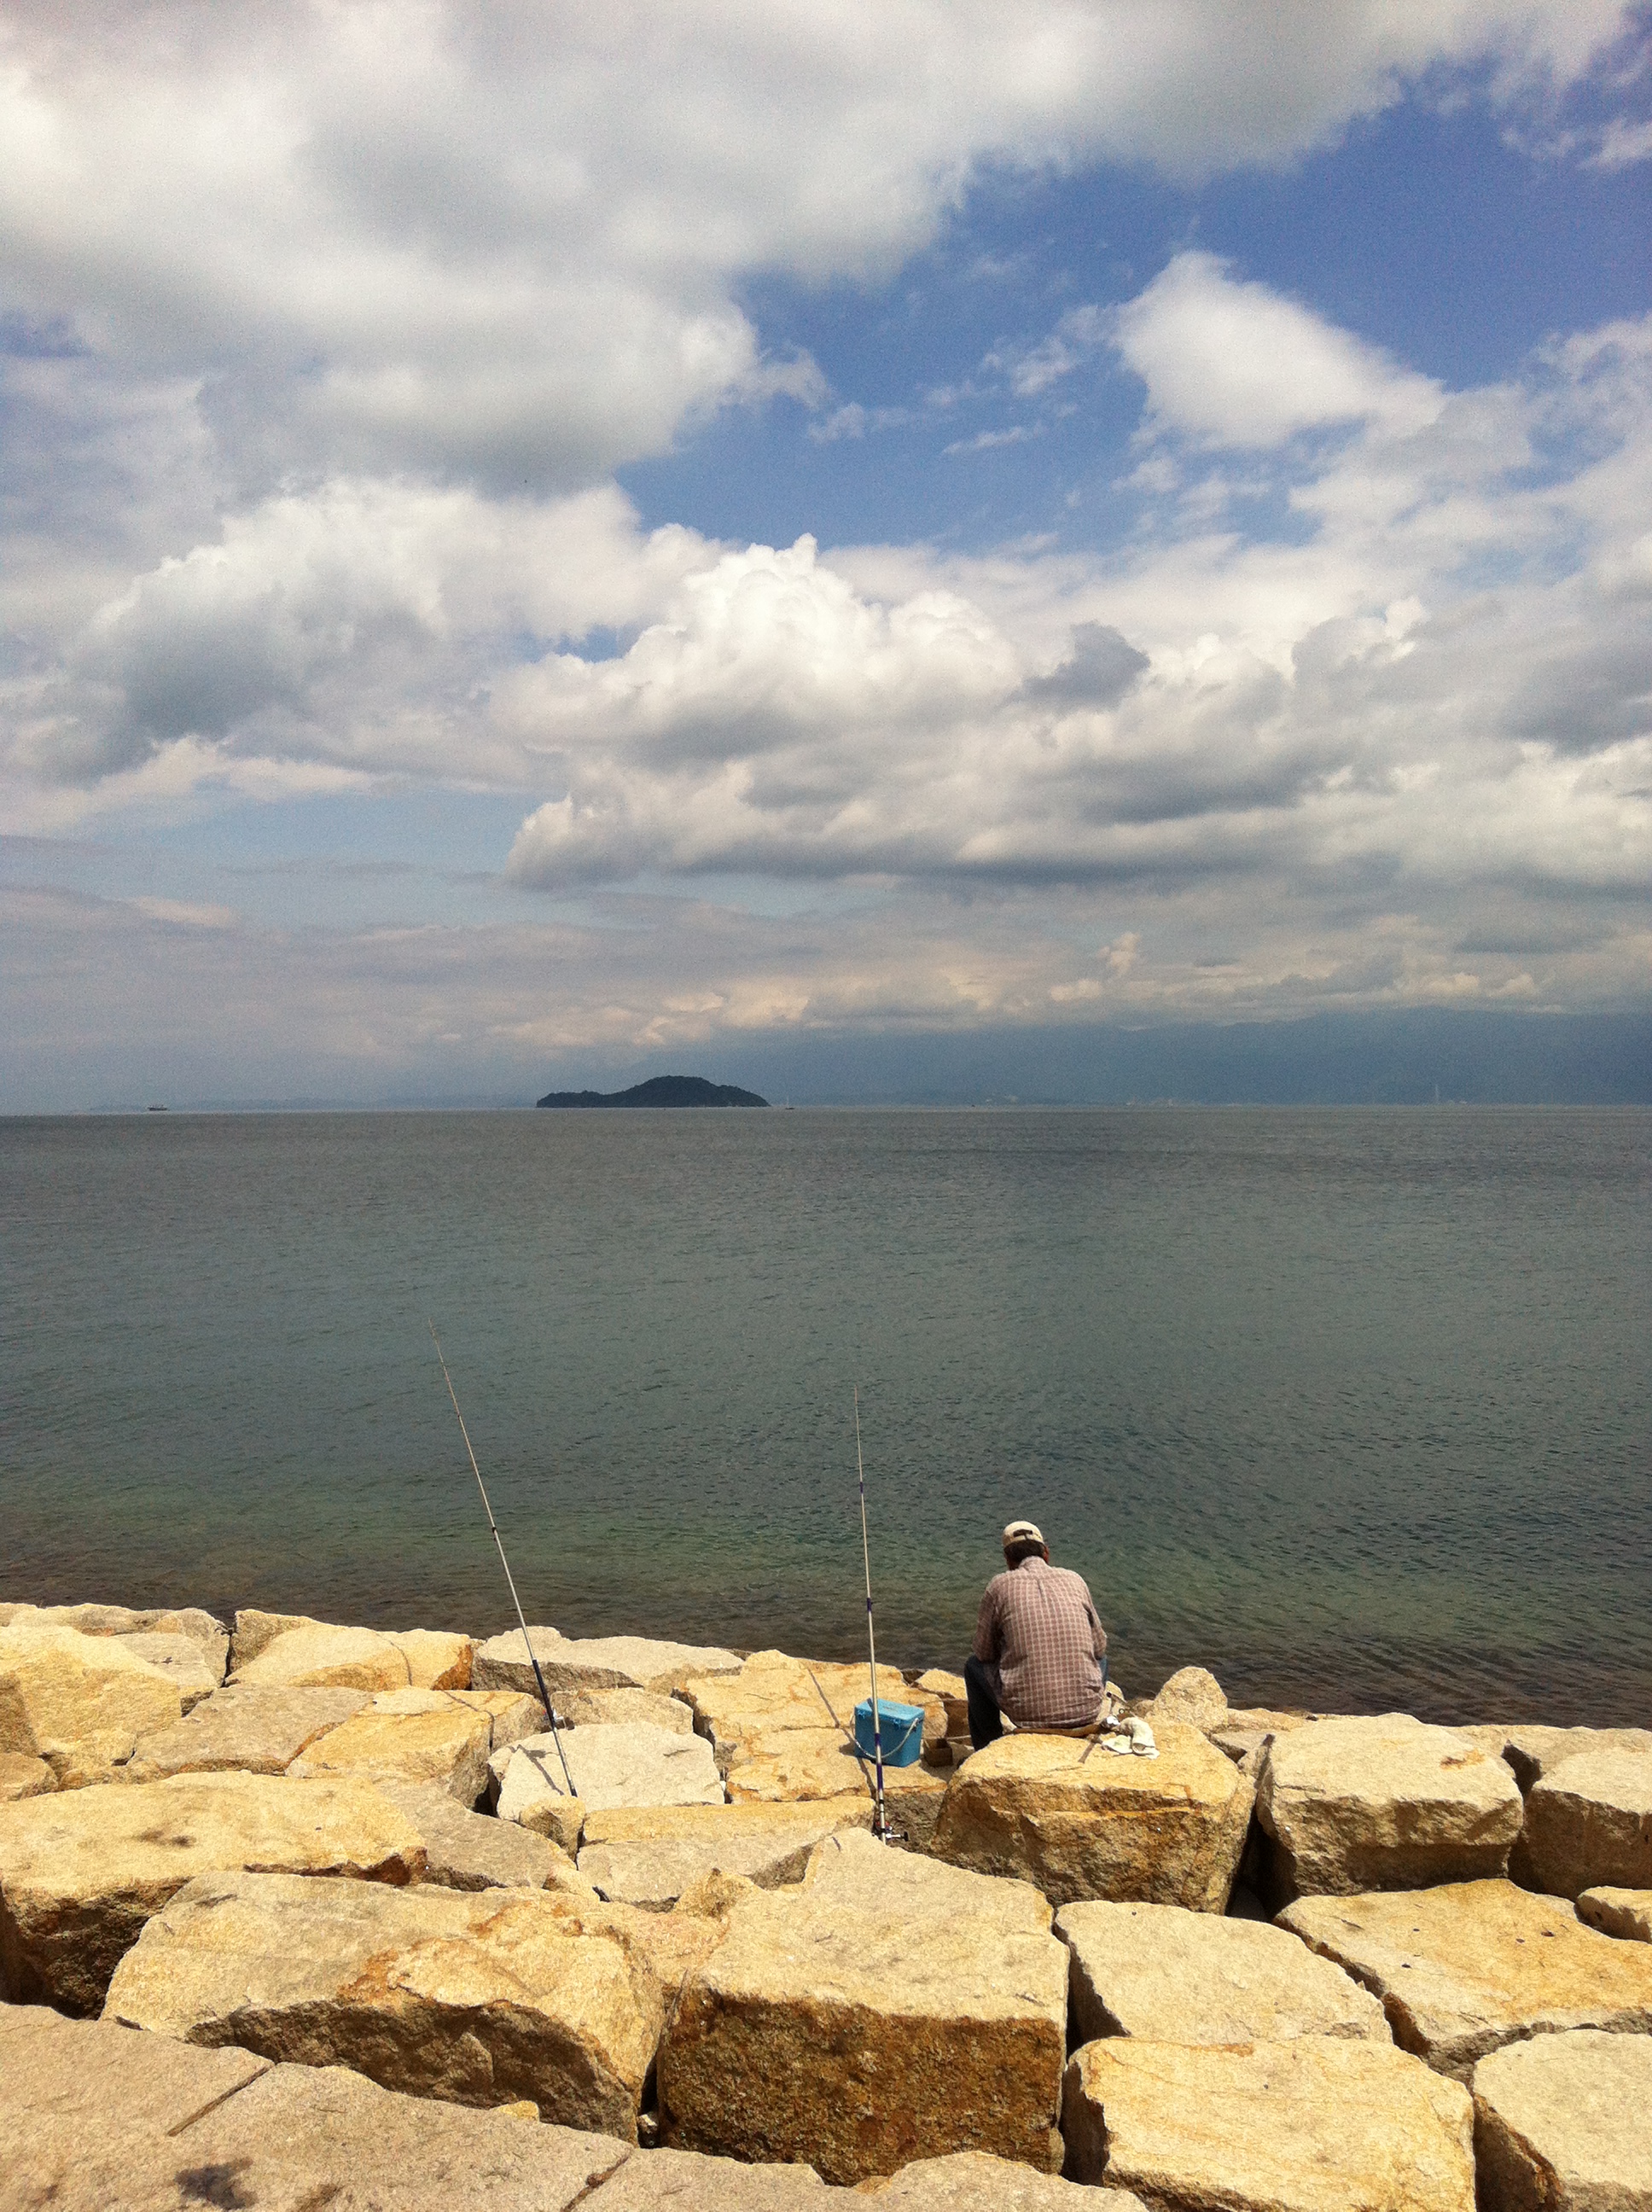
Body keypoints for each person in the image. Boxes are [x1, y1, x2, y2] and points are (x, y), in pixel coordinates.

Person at [964, 1518, 1107, 1749]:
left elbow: (983, 1653)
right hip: (1087, 1710)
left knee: (972, 1667)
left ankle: (987, 1747)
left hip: (1026, 1714)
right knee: (1101, 1659)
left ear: (1008, 1559)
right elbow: (1100, 1647)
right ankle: (1080, 1703)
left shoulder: (999, 1586)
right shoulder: (1075, 1579)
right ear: (1046, 1553)